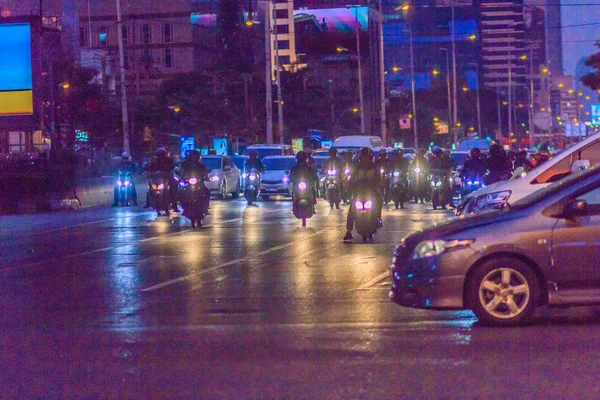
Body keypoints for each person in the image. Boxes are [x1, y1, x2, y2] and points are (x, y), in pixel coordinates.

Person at [343, 148, 382, 241]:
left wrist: (379, 183)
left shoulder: (374, 167)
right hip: (359, 192)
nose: (366, 159)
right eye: (364, 157)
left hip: (371, 192)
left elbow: (379, 179)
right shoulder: (356, 167)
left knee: (379, 200)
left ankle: (378, 218)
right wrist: (348, 183)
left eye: (368, 157)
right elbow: (351, 178)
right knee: (352, 209)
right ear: (361, 158)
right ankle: (349, 231)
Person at [149, 147, 180, 212]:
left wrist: (169, 172)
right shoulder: (155, 161)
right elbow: (150, 168)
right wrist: (151, 172)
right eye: (160, 154)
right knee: (150, 188)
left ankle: (174, 205)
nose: (161, 155)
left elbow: (172, 167)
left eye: (163, 154)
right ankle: (149, 202)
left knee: (173, 186)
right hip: (157, 179)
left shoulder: (169, 160)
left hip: (167, 179)